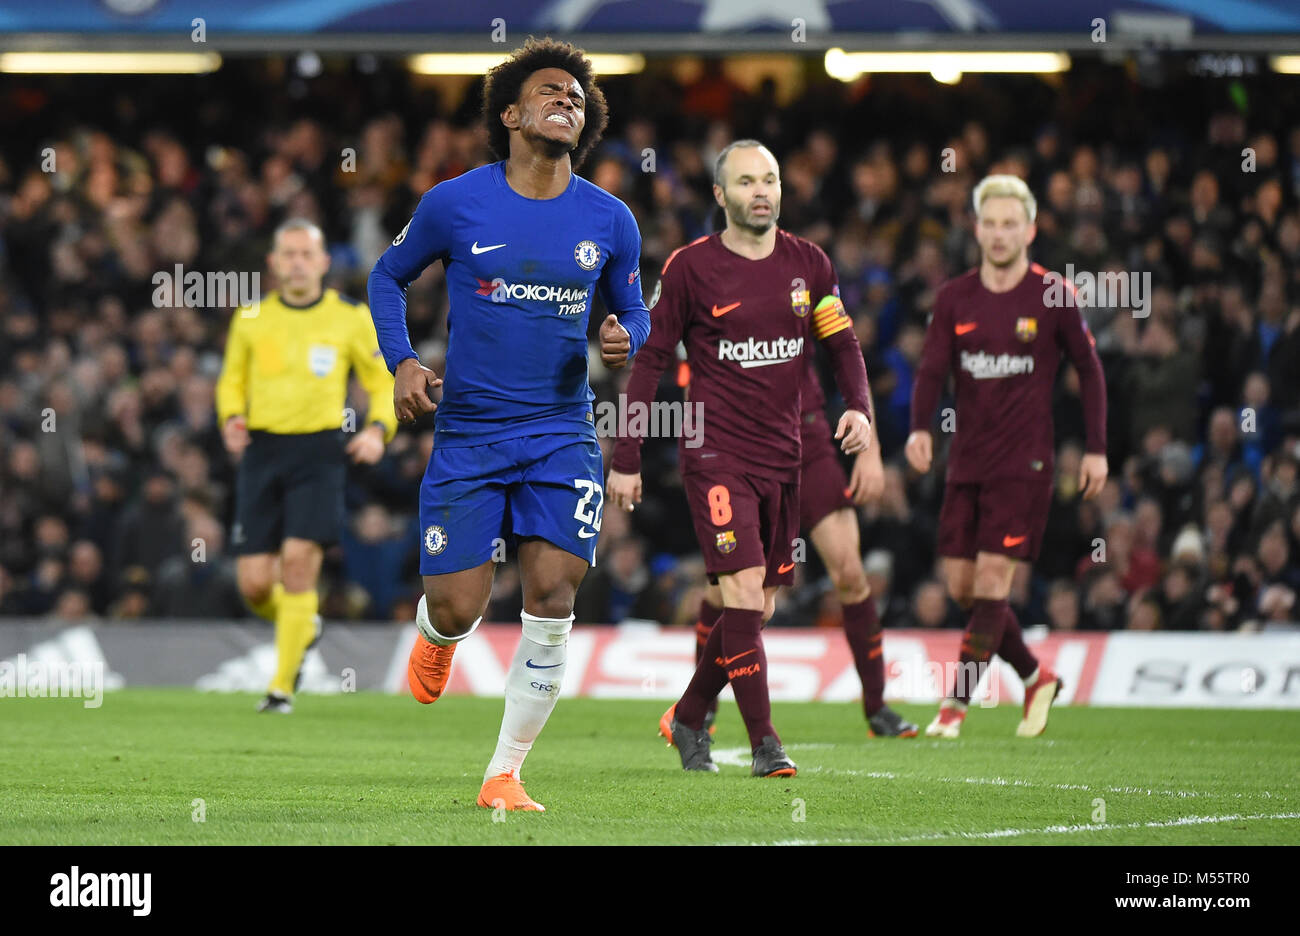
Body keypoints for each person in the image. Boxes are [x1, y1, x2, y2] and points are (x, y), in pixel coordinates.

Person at [367, 38, 650, 812]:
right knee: (460, 605)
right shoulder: (456, 202)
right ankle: (437, 635)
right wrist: (400, 362)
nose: (568, 99)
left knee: (553, 597)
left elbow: (634, 309)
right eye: (551, 91)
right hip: (469, 433)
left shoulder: (611, 218)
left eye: (578, 96)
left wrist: (630, 337)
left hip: (561, 432)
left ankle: (505, 773)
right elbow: (386, 276)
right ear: (512, 113)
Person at [607, 140, 873, 776]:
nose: (762, 191)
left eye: (772, 180)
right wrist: (628, 454)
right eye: (747, 181)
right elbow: (649, 362)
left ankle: (692, 713)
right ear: (721, 195)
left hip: (786, 455)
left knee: (759, 605)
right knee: (746, 592)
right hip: (715, 451)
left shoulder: (809, 264)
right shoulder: (690, 269)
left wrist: (859, 406)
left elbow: (843, 346)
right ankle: (766, 745)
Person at [905, 174, 1108, 739]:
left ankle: (955, 707)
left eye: (1009, 224)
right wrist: (920, 429)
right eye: (989, 223)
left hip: (1026, 464)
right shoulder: (953, 297)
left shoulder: (1052, 295)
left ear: (1031, 230)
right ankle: (1036, 676)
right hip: (966, 462)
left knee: (995, 583)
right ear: (976, 228)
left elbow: (1089, 372)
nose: (998, 234)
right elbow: (931, 370)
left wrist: (1096, 449)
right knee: (964, 588)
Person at [216, 219, 397, 713]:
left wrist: (379, 430)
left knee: (298, 566)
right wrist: (232, 418)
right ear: (274, 264)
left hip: (319, 453)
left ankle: (280, 689)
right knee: (254, 583)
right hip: (262, 452)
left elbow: (382, 381)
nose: (296, 262)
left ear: (322, 262)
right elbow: (231, 381)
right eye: (287, 254)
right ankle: (304, 625)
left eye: (305, 254)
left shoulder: (348, 317)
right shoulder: (251, 318)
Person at [691, 357, 919, 738]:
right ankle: (701, 711)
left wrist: (870, 449)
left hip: (808, 437)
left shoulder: (810, 293)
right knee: (728, 591)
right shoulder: (719, 297)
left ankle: (877, 707)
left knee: (850, 572)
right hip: (742, 443)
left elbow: (848, 355)